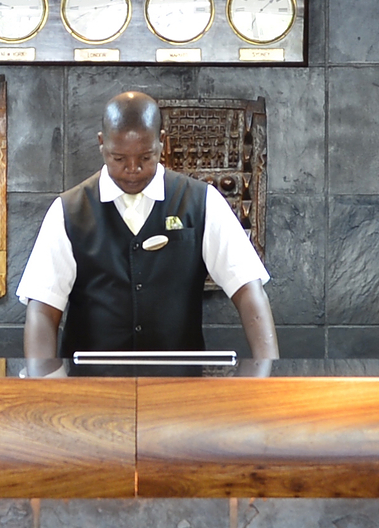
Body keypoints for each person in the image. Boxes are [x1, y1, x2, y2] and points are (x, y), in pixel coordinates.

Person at [18, 91, 278, 360]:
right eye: (119, 158)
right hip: (90, 387)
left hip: (179, 385)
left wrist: (269, 373)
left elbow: (249, 290)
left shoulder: (202, 202)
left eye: (145, 157)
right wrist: (44, 386)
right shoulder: (68, 211)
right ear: (101, 144)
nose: (133, 168)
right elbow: (42, 309)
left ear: (162, 142)